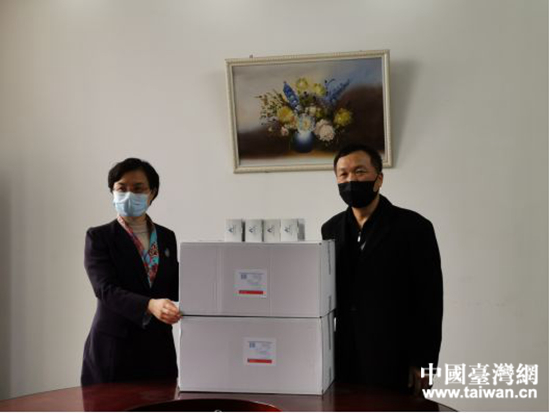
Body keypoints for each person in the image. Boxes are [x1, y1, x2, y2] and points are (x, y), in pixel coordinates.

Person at [321, 143, 443, 396]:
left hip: (396, 356)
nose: (351, 180)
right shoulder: (330, 229)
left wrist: (424, 362)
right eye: (343, 174)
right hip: (345, 356)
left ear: (379, 179)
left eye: (360, 171)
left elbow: (430, 300)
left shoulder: (414, 227)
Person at [81, 158, 182, 385]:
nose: (129, 194)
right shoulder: (99, 237)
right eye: (121, 188)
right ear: (112, 192)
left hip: (158, 349)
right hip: (114, 349)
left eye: (138, 188)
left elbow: (173, 283)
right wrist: (150, 305)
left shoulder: (166, 237)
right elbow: (105, 289)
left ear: (152, 193)